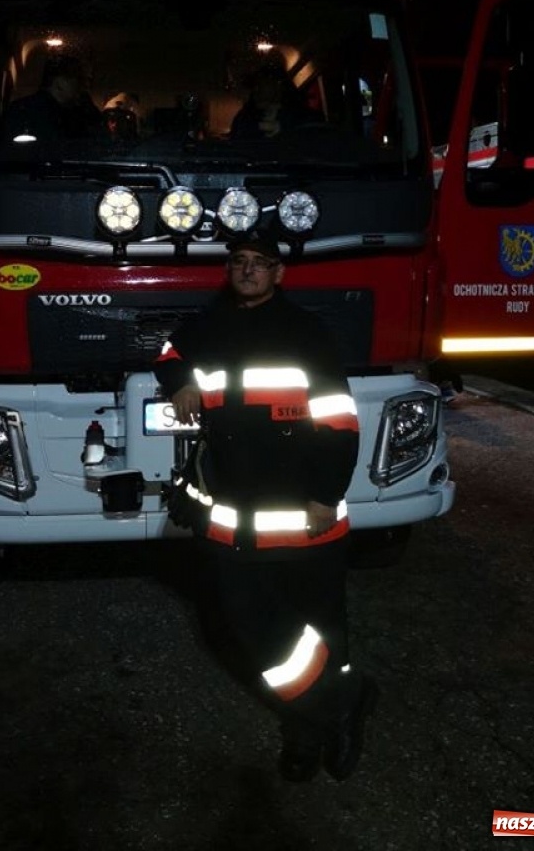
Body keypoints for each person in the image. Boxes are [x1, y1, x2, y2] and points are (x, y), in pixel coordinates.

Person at [153, 232, 377, 783]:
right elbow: (169, 349)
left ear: (279, 273)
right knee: (249, 626)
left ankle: (305, 736)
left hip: (305, 515)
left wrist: (326, 495)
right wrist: (180, 379)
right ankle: (341, 703)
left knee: (321, 628)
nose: (247, 271)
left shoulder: (306, 332)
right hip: (235, 520)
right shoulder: (211, 326)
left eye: (259, 263)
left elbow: (339, 420)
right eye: (239, 262)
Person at [0, 54, 101, 145]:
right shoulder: (26, 111)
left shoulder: (21, 108)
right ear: (59, 82)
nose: (83, 86)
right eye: (77, 79)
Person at [230, 60, 312, 139]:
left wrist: (284, 126)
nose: (256, 89)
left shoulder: (301, 117)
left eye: (262, 83)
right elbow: (238, 138)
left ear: (278, 86)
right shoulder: (245, 118)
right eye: (255, 85)